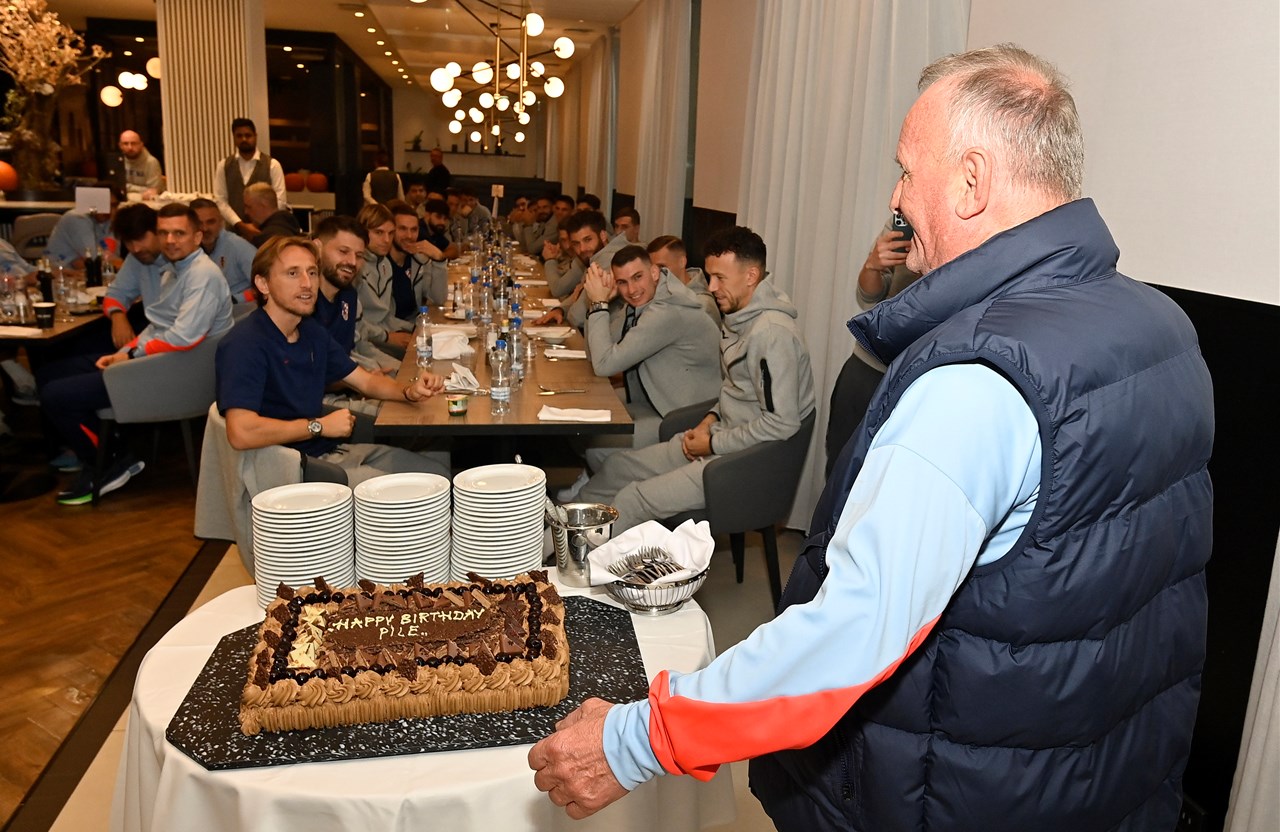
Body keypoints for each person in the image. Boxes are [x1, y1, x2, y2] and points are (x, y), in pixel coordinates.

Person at [529, 45, 1214, 832]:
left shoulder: (975, 381)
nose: (894, 198)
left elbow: (851, 634)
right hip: (1107, 779)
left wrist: (637, 738)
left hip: (960, 793)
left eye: (904, 170)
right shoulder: (1165, 327)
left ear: (971, 180)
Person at [570, 225, 814, 532]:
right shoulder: (743, 319)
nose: (710, 287)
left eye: (719, 278)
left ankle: (573, 568)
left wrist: (712, 441)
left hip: (739, 462)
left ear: (751, 276)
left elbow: (782, 423)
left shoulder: (772, 334)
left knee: (633, 499)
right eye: (710, 276)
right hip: (721, 439)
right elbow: (735, 392)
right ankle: (557, 535)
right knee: (620, 467)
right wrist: (709, 421)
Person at [40, 203, 233, 504]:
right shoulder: (175, 269)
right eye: (164, 233)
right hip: (156, 364)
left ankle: (107, 462)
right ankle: (108, 451)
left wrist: (127, 357)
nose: (170, 240)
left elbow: (182, 338)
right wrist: (127, 351)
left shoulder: (201, 275)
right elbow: (157, 325)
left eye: (179, 233)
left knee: (56, 395)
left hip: (174, 375)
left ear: (197, 237)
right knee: (52, 373)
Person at [216, 236, 449, 485]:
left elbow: (366, 382)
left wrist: (408, 391)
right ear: (263, 284)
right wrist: (318, 427)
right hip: (287, 469)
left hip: (325, 453)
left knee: (440, 472)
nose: (307, 284)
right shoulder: (244, 344)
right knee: (425, 487)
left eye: (312, 273)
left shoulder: (310, 331)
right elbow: (241, 432)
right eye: (293, 273)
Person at [559, 245, 721, 497]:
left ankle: (599, 499)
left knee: (600, 447)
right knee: (582, 417)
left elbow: (605, 366)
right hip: (657, 400)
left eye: (638, 277)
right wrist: (596, 306)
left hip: (686, 417)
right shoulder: (646, 301)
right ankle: (613, 492)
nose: (632, 290)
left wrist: (600, 302)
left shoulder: (666, 311)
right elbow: (597, 355)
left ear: (655, 272)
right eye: (622, 282)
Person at [311, 215, 399, 376]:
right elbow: (307, 376)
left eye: (359, 256)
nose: (352, 262)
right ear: (317, 247)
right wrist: (362, 381)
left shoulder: (348, 295)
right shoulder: (304, 302)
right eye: (343, 251)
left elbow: (346, 355)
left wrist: (368, 375)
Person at [212, 117, 287, 241]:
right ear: (234, 137)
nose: (244, 139)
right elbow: (220, 200)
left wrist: (258, 223)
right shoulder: (223, 165)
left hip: (266, 231)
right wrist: (240, 224)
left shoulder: (273, 165)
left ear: (255, 136)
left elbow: (280, 201)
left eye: (248, 135)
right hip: (233, 233)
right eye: (239, 136)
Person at [190, 197, 256, 303]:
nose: (205, 228)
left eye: (210, 222)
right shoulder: (186, 249)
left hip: (240, 311)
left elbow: (267, 287)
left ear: (221, 223)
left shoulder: (238, 247)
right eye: (199, 223)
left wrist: (235, 300)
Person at [646, 235, 718, 323]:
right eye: (652, 269)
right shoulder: (656, 294)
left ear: (682, 262)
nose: (655, 274)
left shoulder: (702, 305)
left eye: (661, 267)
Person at [44, 185, 120, 267]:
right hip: (58, 272)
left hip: (85, 272)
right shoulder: (77, 218)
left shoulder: (108, 220)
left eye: (114, 206)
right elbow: (93, 259)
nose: (110, 211)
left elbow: (112, 255)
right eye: (105, 205)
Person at [242, 182, 302, 247]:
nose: (246, 212)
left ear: (264, 205)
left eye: (249, 207)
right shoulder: (290, 227)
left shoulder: (266, 240)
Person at [110, 130, 163, 197]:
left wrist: (127, 187)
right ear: (120, 146)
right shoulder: (117, 161)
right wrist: (142, 189)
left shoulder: (151, 162)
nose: (130, 147)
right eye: (126, 144)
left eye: (133, 143)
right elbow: (115, 186)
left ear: (141, 144)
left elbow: (153, 191)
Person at [541, 226, 581, 299]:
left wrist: (550, 259)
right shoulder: (569, 256)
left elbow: (557, 289)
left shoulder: (582, 261)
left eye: (570, 240)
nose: (567, 246)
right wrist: (557, 256)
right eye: (563, 240)